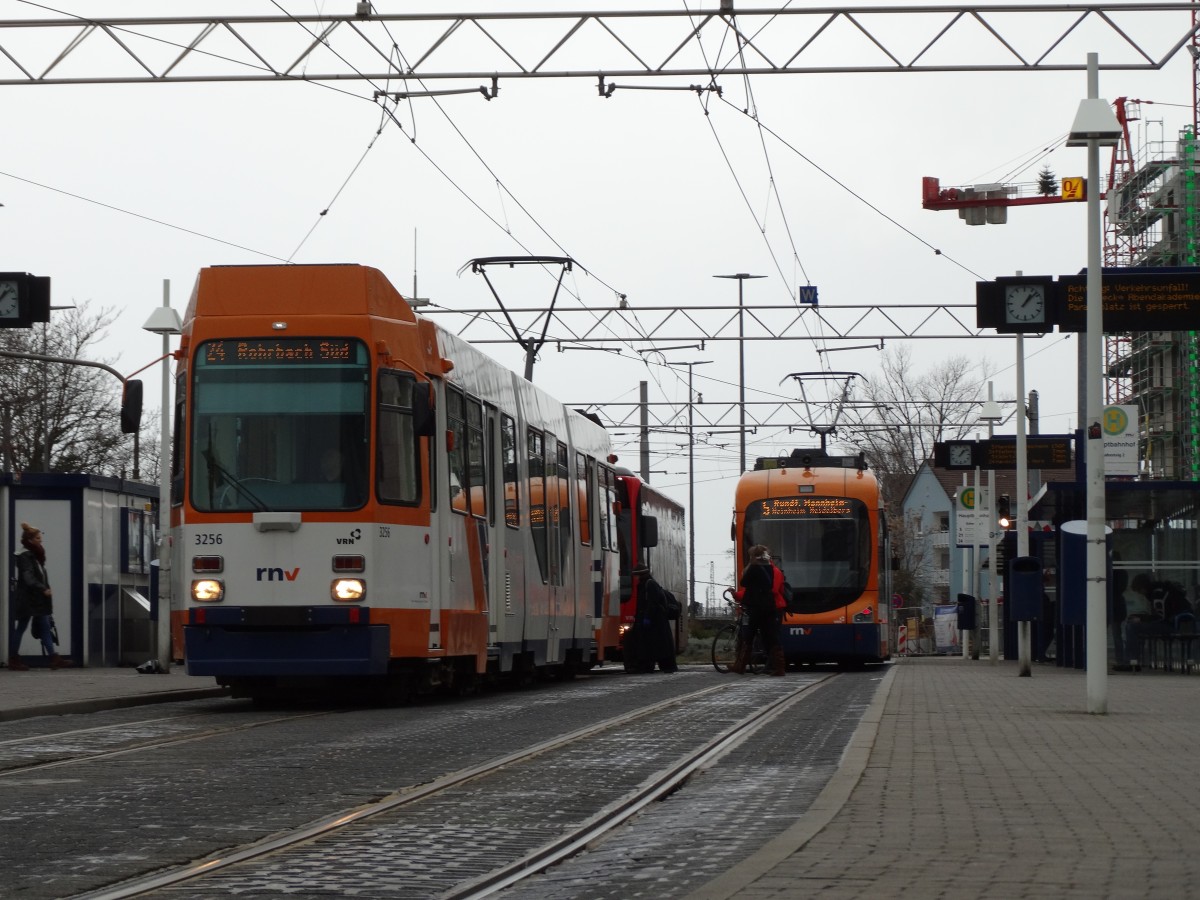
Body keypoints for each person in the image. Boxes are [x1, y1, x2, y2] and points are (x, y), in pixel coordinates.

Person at [8, 522, 73, 670]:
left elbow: (38, 575)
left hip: (37, 598)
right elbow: (28, 577)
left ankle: (54, 658)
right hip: (28, 598)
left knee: (44, 626)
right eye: (38, 538)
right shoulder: (25, 555)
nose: (41, 540)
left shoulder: (35, 554)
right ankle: (13, 659)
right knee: (22, 626)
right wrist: (43, 588)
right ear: (30, 540)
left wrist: (44, 589)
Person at [730, 544, 786, 676]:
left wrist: (751, 565)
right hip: (769, 607)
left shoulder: (754, 568)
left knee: (748, 636)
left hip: (755, 607)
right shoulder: (770, 569)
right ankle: (779, 667)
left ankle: (740, 666)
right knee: (772, 636)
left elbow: (744, 582)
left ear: (754, 556)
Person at [626, 565, 677, 674]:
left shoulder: (649, 584)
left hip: (655, 621)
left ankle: (654, 666)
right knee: (654, 645)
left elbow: (652, 603)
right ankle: (652, 666)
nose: (635, 578)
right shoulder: (646, 584)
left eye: (636, 575)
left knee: (654, 645)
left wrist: (647, 617)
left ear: (640, 575)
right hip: (654, 620)